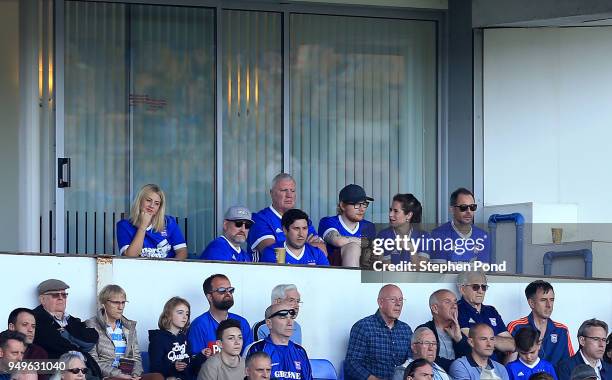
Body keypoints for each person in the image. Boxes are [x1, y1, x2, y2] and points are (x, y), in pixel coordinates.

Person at [86, 285, 161, 380]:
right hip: (108, 376)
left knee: (157, 377)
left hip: (128, 375)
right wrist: (119, 374)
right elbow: (92, 360)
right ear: (104, 303)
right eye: (116, 302)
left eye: (123, 302)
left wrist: (135, 374)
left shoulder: (129, 327)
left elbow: (136, 357)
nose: (121, 307)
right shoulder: (91, 325)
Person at [31, 279, 102, 379]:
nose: (61, 298)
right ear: (42, 299)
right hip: (55, 370)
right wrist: (76, 346)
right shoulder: (34, 319)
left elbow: (91, 339)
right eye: (55, 295)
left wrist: (66, 334)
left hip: (82, 368)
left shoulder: (71, 320)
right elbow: (54, 344)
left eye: (64, 295)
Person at [344, 284, 413, 380]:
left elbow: (410, 361)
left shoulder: (406, 330)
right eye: (393, 299)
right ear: (380, 302)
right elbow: (351, 364)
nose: (398, 304)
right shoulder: (363, 327)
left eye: (401, 300)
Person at [247, 173, 325, 257]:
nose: (289, 195)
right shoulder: (260, 219)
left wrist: (292, 245)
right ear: (271, 193)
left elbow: (323, 251)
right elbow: (274, 254)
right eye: (284, 190)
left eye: (292, 191)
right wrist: (306, 245)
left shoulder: (302, 219)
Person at [508, 281, 574, 366]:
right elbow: (508, 366)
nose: (549, 305)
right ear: (531, 303)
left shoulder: (562, 330)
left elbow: (570, 365)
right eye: (543, 300)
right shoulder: (516, 327)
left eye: (551, 300)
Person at [188, 275, 252, 359]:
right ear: (210, 297)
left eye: (230, 290)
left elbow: (249, 357)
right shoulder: (199, 325)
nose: (228, 293)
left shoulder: (242, 322)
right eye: (222, 290)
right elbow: (195, 362)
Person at [116, 184, 188, 259]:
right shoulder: (124, 225)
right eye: (148, 200)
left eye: (156, 203)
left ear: (159, 207)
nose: (152, 205)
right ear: (140, 201)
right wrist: (143, 227)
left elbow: (182, 252)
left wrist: (169, 269)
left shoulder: (169, 223)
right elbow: (130, 256)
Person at [456, 271, 515, 357]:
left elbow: (511, 345)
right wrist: (499, 343)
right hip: (472, 366)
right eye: (475, 287)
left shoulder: (491, 310)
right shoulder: (457, 310)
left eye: (483, 287)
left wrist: (485, 339)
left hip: (497, 365)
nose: (480, 291)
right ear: (462, 289)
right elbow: (476, 342)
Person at [245, 304, 312, 380]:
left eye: (291, 318)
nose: (290, 323)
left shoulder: (300, 351)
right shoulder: (256, 348)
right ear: (269, 323)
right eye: (283, 318)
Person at [318, 184, 377, 267]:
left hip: (363, 271)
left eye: (364, 204)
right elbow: (338, 241)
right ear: (342, 205)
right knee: (353, 247)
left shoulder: (369, 226)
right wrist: (368, 242)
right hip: (333, 271)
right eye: (356, 204)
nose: (362, 209)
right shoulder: (328, 221)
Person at [430, 188, 491, 263]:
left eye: (472, 207)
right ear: (452, 209)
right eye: (463, 207)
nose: (469, 211)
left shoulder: (483, 236)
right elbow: (439, 271)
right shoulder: (437, 235)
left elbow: (481, 271)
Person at [416, 290, 471, 371]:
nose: (454, 306)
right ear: (435, 308)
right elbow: (428, 361)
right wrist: (458, 367)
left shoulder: (457, 331)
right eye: (448, 302)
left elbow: (472, 361)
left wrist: (459, 339)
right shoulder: (425, 331)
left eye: (455, 302)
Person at [148, 297, 196, 380]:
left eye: (187, 314)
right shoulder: (158, 339)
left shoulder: (185, 338)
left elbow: (190, 365)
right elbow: (155, 369)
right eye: (180, 313)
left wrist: (202, 355)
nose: (185, 317)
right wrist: (173, 366)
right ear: (169, 314)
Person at [376, 194, 430, 266]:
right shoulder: (382, 235)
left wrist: (412, 250)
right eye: (390, 210)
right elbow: (382, 268)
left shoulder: (424, 236)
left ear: (409, 215)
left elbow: (421, 269)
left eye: (396, 211)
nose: (390, 214)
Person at [260, 209, 329, 265]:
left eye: (304, 228)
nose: (301, 234)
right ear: (285, 230)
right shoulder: (272, 252)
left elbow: (325, 279)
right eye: (296, 228)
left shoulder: (317, 254)